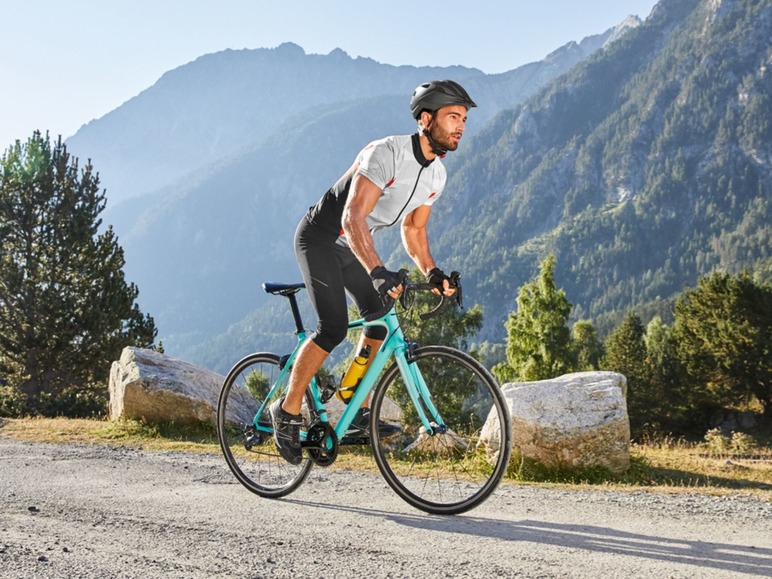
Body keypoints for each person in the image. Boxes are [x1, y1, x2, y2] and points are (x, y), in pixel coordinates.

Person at [270, 80, 477, 464]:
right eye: (453, 117)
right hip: (321, 237)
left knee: (380, 321)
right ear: (426, 119)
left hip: (352, 245)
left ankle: (356, 408)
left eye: (463, 119)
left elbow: (414, 229)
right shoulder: (387, 153)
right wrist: (378, 270)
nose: (460, 126)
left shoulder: (437, 175)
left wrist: (431, 272)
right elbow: (352, 216)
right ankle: (287, 409)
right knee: (331, 328)